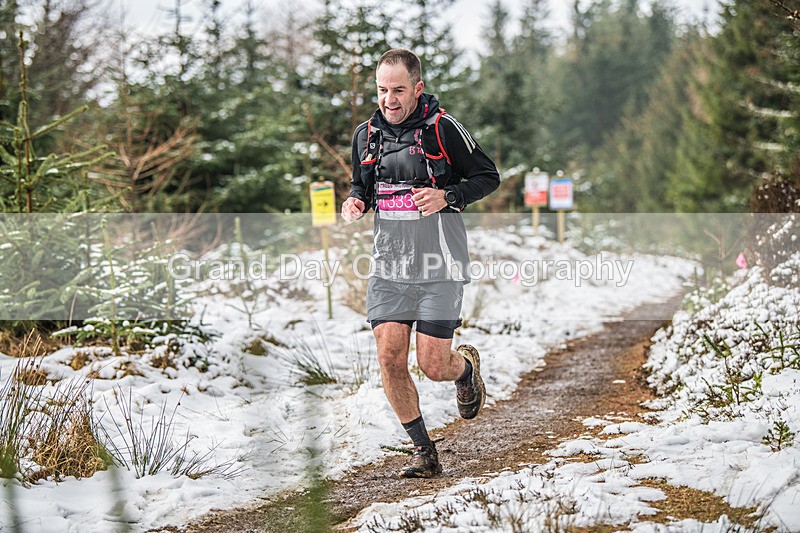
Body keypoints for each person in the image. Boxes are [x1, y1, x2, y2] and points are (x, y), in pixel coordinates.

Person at [341, 48, 500, 478]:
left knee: (433, 366)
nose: (389, 100)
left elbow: (488, 176)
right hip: (389, 267)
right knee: (390, 357)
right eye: (381, 90)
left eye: (398, 90)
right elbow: (362, 183)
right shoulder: (366, 135)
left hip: (439, 265)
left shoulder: (443, 128)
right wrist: (356, 201)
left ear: (417, 88)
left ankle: (464, 369)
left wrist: (449, 196)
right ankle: (423, 450)